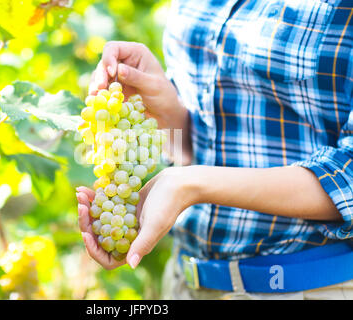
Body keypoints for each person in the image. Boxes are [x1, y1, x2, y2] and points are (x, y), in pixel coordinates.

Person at [76, 0, 353, 299]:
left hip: (306, 287)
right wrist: (169, 113)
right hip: (186, 283)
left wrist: (192, 185)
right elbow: (201, 148)